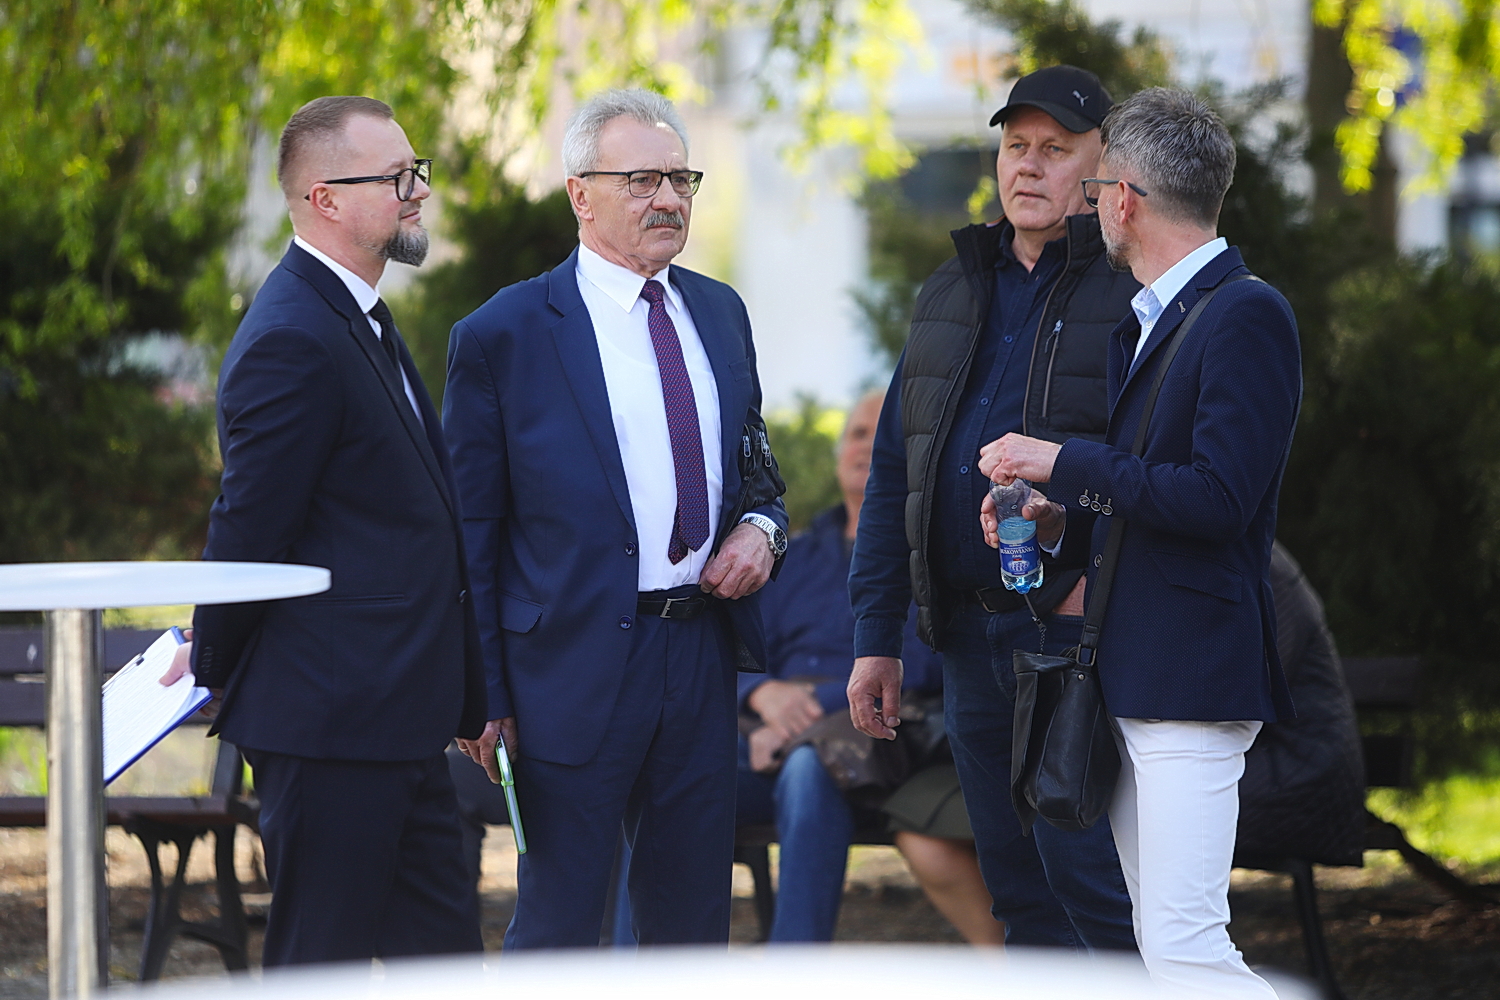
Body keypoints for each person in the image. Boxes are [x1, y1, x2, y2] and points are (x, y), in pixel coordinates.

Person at [442, 88, 788, 949]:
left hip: (698, 652)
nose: (667, 199)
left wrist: (763, 532)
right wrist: (480, 693)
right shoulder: (504, 333)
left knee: (690, 928)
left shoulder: (720, 313)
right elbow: (468, 536)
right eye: (641, 181)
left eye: (680, 179)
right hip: (566, 668)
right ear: (580, 194)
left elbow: (760, 478)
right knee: (560, 927)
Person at [978, 88, 1301, 996]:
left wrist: (1063, 459)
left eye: (1095, 191)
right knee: (1166, 954)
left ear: (1124, 199)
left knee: (1188, 948)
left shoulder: (1244, 313)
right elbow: (1152, 495)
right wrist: (1059, 518)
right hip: (1138, 671)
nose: (1090, 211)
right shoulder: (1163, 314)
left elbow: (1220, 500)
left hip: (1191, 677)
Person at [165, 96, 488, 965]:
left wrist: (467, 689)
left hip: (399, 719)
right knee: (320, 964)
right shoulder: (295, 335)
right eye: (397, 177)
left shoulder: (356, 316)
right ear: (325, 200)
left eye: (417, 172)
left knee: (444, 967)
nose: (419, 192)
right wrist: (210, 658)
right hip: (331, 724)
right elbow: (251, 525)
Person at [846, 64, 1138, 950]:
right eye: (1016, 146)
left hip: (1074, 639)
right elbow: (895, 471)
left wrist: (1090, 576)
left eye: (1056, 148)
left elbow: (1155, 471)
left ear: (1104, 167)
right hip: (969, 641)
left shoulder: (1131, 290)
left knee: (1090, 884)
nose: (1029, 165)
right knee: (1014, 889)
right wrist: (875, 637)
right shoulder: (951, 288)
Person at [738, 390, 1003, 945]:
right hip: (768, 730)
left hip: (878, 738)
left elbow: (929, 663)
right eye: (858, 434)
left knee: (810, 766)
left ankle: (792, 973)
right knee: (668, 772)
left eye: (883, 436)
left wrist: (806, 714)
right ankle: (638, 968)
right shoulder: (793, 554)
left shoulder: (931, 554)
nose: (866, 447)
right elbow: (739, 646)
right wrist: (762, 697)